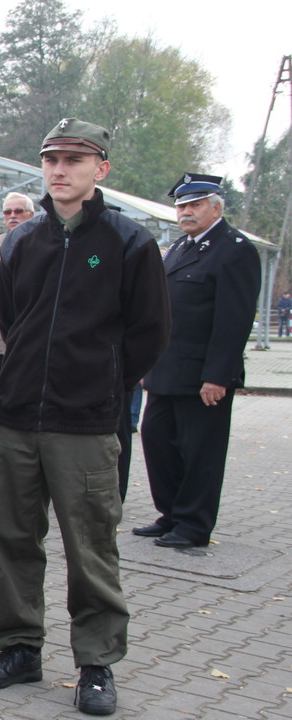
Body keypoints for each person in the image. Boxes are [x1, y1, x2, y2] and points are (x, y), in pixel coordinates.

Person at [0, 118, 170, 717]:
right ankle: (19, 647)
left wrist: (102, 384)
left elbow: (150, 334)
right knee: (13, 538)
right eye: (51, 159)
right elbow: (13, 322)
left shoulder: (130, 243)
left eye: (74, 160)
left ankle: (96, 662)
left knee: (90, 545)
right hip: (16, 415)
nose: (60, 170)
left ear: (100, 169)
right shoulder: (23, 242)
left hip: (84, 423)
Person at [134, 174, 262, 550]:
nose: (186, 212)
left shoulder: (234, 249)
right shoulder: (179, 248)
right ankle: (171, 513)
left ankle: (193, 524)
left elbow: (233, 320)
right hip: (166, 370)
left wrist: (217, 376)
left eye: (195, 205)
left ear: (216, 207)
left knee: (200, 451)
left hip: (203, 376)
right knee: (159, 442)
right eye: (181, 206)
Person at [0, 193, 36, 486]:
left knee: (23, 401)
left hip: (27, 340)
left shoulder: (40, 241)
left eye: (19, 211)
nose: (12, 216)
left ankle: (22, 464)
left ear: (31, 214)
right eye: (8, 212)